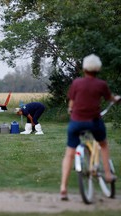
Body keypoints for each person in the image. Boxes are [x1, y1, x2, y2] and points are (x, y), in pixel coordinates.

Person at [60, 54, 120, 201]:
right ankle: (107, 174)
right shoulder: (101, 84)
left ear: (84, 68)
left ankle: (63, 188)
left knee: (69, 153)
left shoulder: (76, 83)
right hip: (94, 122)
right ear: (98, 69)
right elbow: (110, 98)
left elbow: (71, 103)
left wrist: (70, 110)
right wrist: (116, 99)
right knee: (103, 144)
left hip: (76, 122)